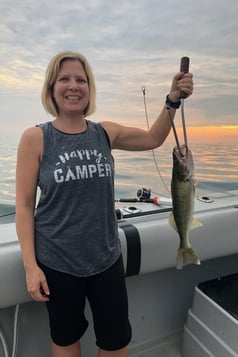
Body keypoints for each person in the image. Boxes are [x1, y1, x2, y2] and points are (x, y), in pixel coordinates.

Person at [15, 51, 193, 357]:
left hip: (106, 260)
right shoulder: (35, 138)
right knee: (66, 339)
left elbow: (153, 138)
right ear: (51, 88)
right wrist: (31, 267)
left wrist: (172, 100)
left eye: (81, 80)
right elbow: (24, 206)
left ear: (89, 88)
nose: (74, 86)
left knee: (115, 341)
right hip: (57, 263)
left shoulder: (104, 133)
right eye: (65, 79)